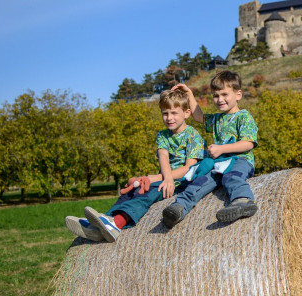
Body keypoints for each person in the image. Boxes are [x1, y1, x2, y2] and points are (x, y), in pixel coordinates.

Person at [65, 88, 205, 242]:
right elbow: (163, 156)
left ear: (186, 113)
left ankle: (117, 224)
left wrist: (165, 179)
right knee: (132, 191)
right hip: (166, 178)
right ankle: (103, 223)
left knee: (147, 194)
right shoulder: (163, 135)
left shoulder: (193, 136)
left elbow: (189, 168)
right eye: (165, 113)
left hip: (182, 181)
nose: (169, 118)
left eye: (173, 113)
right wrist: (163, 178)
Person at [162, 70, 258, 228]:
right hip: (219, 164)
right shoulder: (217, 119)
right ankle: (179, 208)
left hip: (240, 161)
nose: (220, 99)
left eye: (224, 94)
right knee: (199, 182)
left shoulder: (243, 117)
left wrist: (222, 148)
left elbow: (248, 143)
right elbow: (199, 117)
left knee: (232, 177)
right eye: (215, 95)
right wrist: (189, 94)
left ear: (238, 94)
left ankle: (243, 200)